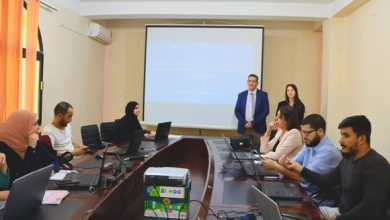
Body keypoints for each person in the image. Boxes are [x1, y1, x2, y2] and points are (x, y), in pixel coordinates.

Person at [284, 115, 390, 220]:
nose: (340, 140)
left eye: (346, 136)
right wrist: (299, 168)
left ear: (362, 139)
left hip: (353, 217)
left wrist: (337, 219)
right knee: (294, 214)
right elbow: (326, 181)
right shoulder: (348, 159)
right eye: (341, 135)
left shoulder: (377, 166)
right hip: (340, 212)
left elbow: (370, 210)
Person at [262, 114, 342, 206]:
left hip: (315, 199)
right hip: (302, 190)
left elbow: (303, 178)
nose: (304, 136)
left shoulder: (328, 151)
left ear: (320, 131)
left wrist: (275, 166)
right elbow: (293, 164)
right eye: (303, 132)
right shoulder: (310, 144)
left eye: (307, 133)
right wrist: (284, 162)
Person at [0, 109, 60, 187]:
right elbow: (23, 176)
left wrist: (52, 169)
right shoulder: (3, 148)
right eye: (35, 124)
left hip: (38, 187)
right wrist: (31, 148)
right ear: (21, 126)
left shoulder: (32, 140)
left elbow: (53, 160)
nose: (38, 127)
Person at [234, 74, 269, 145]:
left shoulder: (263, 95)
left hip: (258, 129)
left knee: (258, 152)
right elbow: (237, 111)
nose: (251, 83)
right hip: (243, 128)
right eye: (249, 81)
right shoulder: (241, 95)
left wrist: (253, 123)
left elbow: (266, 111)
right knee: (242, 151)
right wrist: (244, 123)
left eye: (253, 81)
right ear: (247, 82)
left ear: (257, 83)